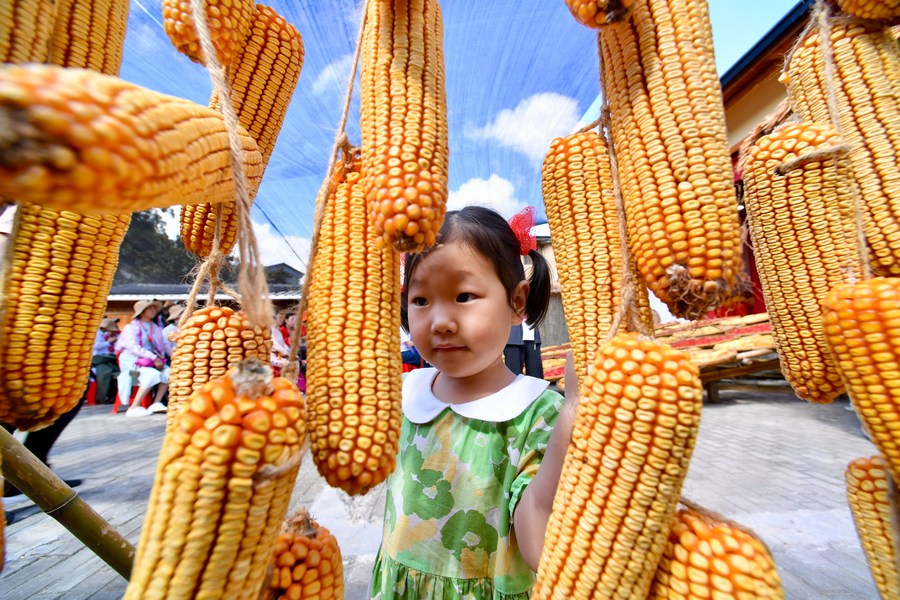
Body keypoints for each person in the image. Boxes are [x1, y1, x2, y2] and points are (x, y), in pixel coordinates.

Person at [370, 206, 579, 598]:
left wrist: (572, 417)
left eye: (464, 295)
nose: (441, 321)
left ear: (518, 302)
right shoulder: (405, 393)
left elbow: (539, 547)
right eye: (420, 300)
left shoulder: (535, 415)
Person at [115, 300, 170, 417]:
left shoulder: (155, 327)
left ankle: (156, 403)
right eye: (150, 309)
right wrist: (154, 357)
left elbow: (160, 346)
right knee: (152, 374)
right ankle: (134, 406)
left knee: (170, 372)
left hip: (150, 361)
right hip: (132, 362)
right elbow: (133, 347)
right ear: (142, 312)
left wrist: (160, 356)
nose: (153, 311)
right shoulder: (131, 328)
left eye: (154, 308)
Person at [91, 317, 121, 404]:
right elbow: (96, 346)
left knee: (112, 369)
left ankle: (110, 395)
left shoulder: (101, 334)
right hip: (97, 358)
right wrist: (109, 342)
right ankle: (102, 397)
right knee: (107, 371)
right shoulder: (97, 334)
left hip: (103, 357)